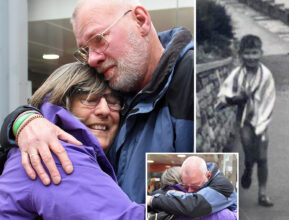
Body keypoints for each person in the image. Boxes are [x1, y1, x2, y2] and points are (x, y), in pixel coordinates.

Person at [0, 0, 194, 204]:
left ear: (140, 20)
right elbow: (55, 97)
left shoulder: (191, 81)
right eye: (85, 50)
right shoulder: (122, 83)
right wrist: (23, 120)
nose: (92, 59)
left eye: (99, 39)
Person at [0, 62, 144, 219]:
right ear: (62, 102)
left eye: (113, 101)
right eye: (89, 98)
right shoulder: (55, 153)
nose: (104, 110)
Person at [216, 34, 276, 207]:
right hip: (244, 121)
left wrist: (262, 121)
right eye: (247, 53)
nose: (251, 57)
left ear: (261, 53)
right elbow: (224, 96)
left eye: (255, 53)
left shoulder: (266, 76)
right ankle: (248, 168)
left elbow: (269, 99)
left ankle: (263, 193)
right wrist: (238, 98)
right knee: (250, 153)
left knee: (263, 158)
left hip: (261, 120)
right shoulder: (236, 75)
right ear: (241, 54)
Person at [147, 156, 237, 219]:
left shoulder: (222, 186)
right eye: (185, 185)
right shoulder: (200, 178)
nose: (189, 191)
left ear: (208, 175)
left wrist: (153, 200)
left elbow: (193, 206)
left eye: (194, 186)